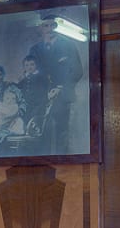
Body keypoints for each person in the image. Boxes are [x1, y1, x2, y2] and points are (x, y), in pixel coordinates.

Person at [25, 12, 84, 153]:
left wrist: (61, 88)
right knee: (41, 130)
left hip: (63, 95)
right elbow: (32, 72)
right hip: (42, 97)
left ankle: (62, 161)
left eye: (53, 25)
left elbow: (77, 71)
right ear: (41, 28)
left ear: (57, 27)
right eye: (46, 26)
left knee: (62, 132)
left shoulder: (69, 45)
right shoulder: (35, 49)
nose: (50, 29)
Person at [14, 53, 51, 139]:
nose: (29, 67)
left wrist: (39, 107)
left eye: (32, 64)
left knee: (33, 123)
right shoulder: (24, 78)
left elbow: (43, 95)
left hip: (38, 106)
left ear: (36, 65)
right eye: (26, 65)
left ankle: (31, 136)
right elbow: (18, 87)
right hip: (26, 106)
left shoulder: (41, 78)